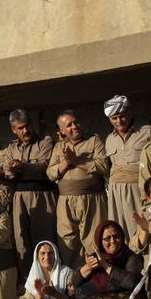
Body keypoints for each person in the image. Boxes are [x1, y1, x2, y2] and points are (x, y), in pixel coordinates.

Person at [0, 109, 58, 278]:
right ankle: (28, 281)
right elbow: (8, 172)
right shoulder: (11, 148)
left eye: (27, 126)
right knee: (21, 240)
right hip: (20, 197)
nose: (25, 131)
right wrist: (13, 170)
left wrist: (21, 166)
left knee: (44, 239)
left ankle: (49, 280)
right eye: (20, 128)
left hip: (43, 195)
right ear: (13, 130)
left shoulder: (45, 142)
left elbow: (44, 166)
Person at [47, 110, 109, 267]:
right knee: (68, 241)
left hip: (92, 199)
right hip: (66, 201)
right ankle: (74, 280)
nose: (74, 126)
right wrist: (66, 163)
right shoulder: (59, 147)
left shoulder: (94, 141)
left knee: (93, 238)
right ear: (62, 130)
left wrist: (76, 161)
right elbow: (50, 173)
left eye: (76, 122)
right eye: (69, 125)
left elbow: (103, 166)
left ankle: (96, 279)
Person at [102, 95, 151, 238]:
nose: (119, 121)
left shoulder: (147, 132)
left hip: (140, 190)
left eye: (122, 116)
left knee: (144, 228)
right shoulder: (109, 139)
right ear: (109, 119)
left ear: (130, 113)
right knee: (120, 231)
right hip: (117, 193)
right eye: (114, 118)